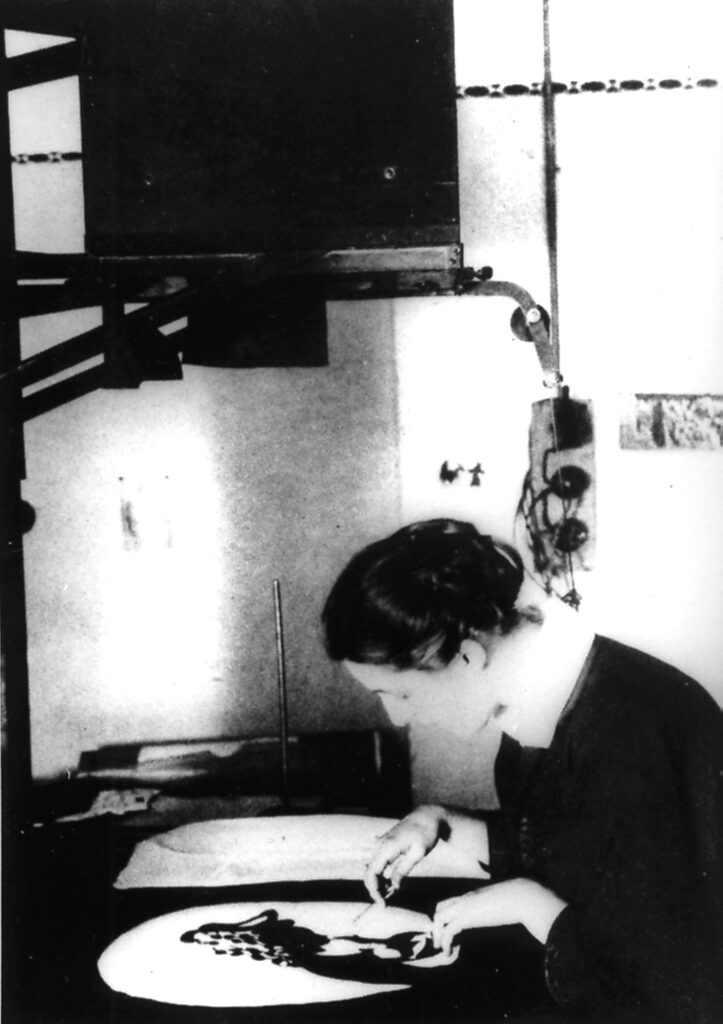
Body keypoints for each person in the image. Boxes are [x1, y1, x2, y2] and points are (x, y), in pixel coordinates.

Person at [322, 519, 723, 1022]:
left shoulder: (629, 727)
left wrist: (530, 904)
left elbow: (674, 989)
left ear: (467, 658)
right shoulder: (542, 703)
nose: (396, 717)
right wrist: (441, 821)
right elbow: (581, 852)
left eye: (398, 693)